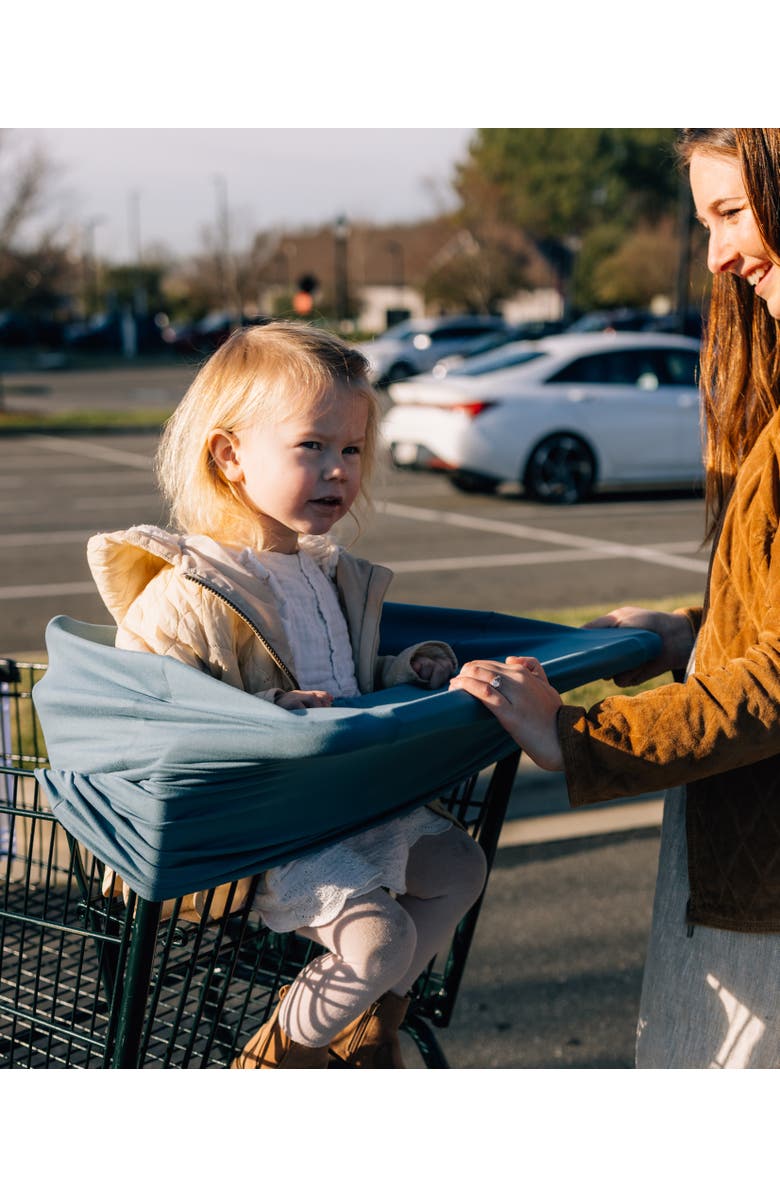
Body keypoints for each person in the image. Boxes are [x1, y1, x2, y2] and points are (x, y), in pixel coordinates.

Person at [450, 128, 780, 1069]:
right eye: (706, 222)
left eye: (732, 212)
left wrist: (579, 737)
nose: (717, 256)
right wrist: (691, 632)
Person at [87, 321, 486, 1069]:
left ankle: (365, 1028)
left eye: (353, 450)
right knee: (381, 940)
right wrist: (264, 717)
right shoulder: (188, 592)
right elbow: (152, 717)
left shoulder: (324, 572)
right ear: (230, 456)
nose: (339, 470)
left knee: (461, 868)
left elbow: (342, 680)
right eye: (312, 446)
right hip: (268, 830)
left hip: (344, 801)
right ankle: (277, 1063)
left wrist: (406, 672)